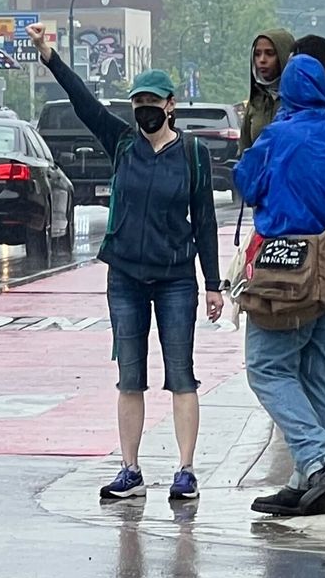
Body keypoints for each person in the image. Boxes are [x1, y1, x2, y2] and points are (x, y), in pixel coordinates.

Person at [32, 25, 222, 501]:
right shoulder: (121, 143)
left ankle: (185, 470)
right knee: (129, 375)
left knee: (181, 372)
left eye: (153, 102)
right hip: (126, 277)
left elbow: (205, 222)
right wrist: (50, 57)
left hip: (177, 277)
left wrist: (213, 284)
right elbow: (84, 104)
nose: (144, 110)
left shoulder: (193, 155)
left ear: (171, 105)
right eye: (138, 102)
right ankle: (130, 469)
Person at [235, 54, 325, 517]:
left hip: (291, 279)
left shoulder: (277, 138)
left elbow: (245, 182)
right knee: (319, 372)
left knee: (268, 367)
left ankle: (320, 459)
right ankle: (309, 485)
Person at [241, 29, 297, 152]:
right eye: (257, 54)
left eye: (270, 53)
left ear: (285, 56)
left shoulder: (298, 101)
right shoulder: (256, 102)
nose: (262, 60)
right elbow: (244, 150)